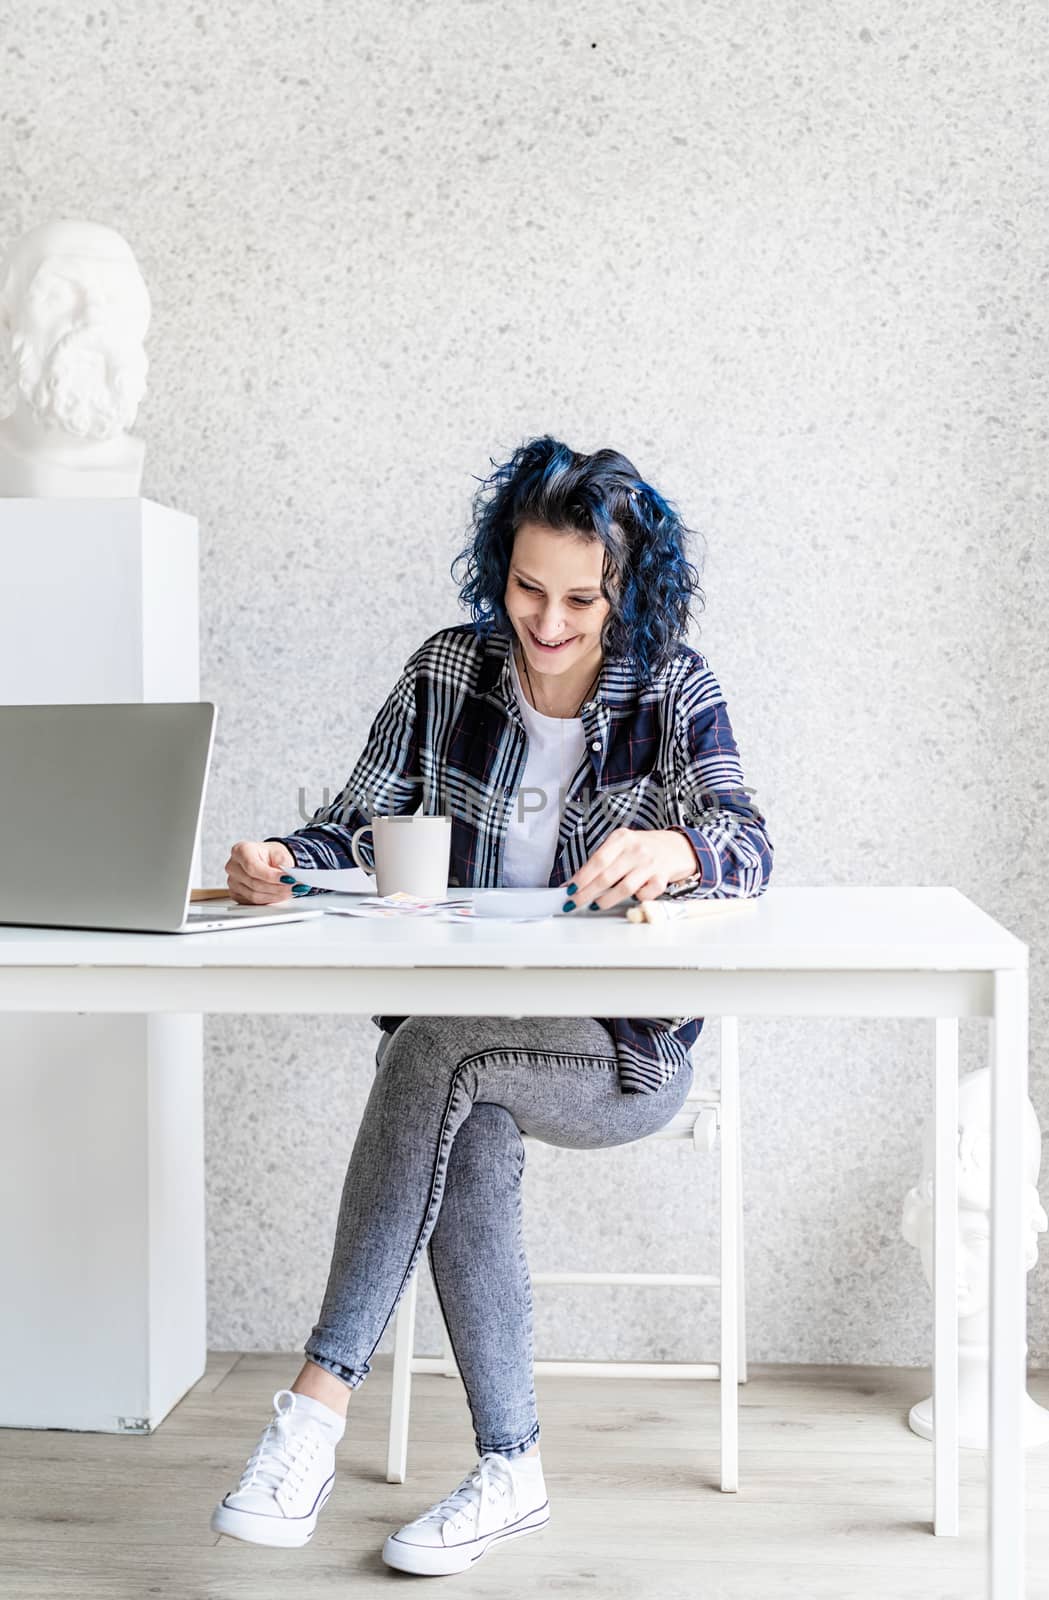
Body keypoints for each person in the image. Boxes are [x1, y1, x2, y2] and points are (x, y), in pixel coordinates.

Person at [210, 435, 774, 1576]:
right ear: (496, 567)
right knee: (453, 1090)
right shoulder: (444, 673)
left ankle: (314, 1409)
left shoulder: (672, 686)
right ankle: (506, 1469)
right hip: (460, 1037)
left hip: (618, 1055)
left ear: (627, 590)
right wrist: (282, 855)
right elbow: (354, 828)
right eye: (527, 588)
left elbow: (747, 844)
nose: (549, 621)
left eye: (581, 597)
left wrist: (672, 847)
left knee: (433, 1056)